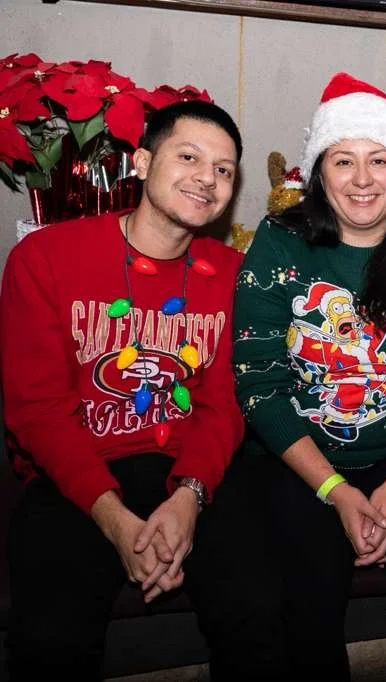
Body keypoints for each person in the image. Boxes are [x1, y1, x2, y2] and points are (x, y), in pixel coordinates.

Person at [229, 72, 386, 680]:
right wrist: (337, 492)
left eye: (379, 160)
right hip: (303, 458)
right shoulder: (279, 244)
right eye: (343, 161)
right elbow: (259, 383)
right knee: (306, 608)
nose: (362, 179)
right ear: (320, 172)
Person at [0, 100, 245, 679]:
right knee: (51, 640)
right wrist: (115, 521)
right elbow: (38, 410)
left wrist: (188, 498)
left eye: (224, 170)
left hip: (190, 472)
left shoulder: (234, 274)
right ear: (142, 163)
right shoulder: (46, 257)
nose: (206, 179)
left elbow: (224, 406)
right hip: (75, 477)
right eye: (189, 157)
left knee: (257, 612)